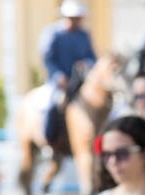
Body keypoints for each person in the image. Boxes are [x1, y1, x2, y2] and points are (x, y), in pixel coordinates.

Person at [39, 0, 96, 143]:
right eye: (72, 18)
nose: (75, 21)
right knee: (53, 105)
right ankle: (50, 141)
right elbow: (48, 59)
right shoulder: (54, 34)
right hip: (60, 82)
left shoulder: (83, 35)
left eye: (77, 18)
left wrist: (86, 63)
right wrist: (59, 76)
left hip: (80, 81)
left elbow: (92, 57)